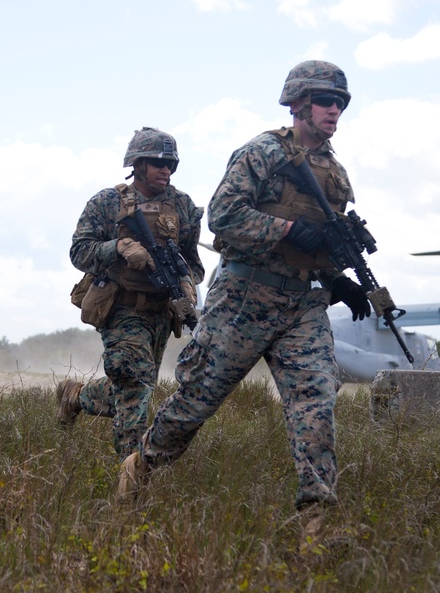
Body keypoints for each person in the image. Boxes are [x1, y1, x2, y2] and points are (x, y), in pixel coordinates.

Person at [120, 61, 372, 519]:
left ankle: (316, 518)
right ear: (298, 103)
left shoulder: (335, 172)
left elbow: (322, 244)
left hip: (302, 306)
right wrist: (289, 229)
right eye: (325, 100)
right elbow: (224, 217)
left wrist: (339, 281)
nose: (335, 109)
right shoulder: (263, 153)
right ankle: (142, 465)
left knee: (316, 405)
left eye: (341, 102)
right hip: (244, 299)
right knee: (196, 402)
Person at [60, 128, 205, 461]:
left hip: (161, 312)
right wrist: (119, 248)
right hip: (121, 309)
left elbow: (192, 263)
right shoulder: (107, 202)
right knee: (136, 386)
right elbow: (79, 251)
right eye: (157, 163)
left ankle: (75, 397)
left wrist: (187, 284)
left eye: (171, 164)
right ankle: (133, 475)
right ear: (137, 164)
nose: (165, 170)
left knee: (133, 392)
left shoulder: (182, 206)